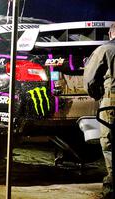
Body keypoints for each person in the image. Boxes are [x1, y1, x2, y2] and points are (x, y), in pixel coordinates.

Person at [84, 23, 115, 199]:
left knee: (109, 143)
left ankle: (111, 188)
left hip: (111, 104)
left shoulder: (105, 50)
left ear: (110, 33)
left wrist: (97, 95)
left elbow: (90, 80)